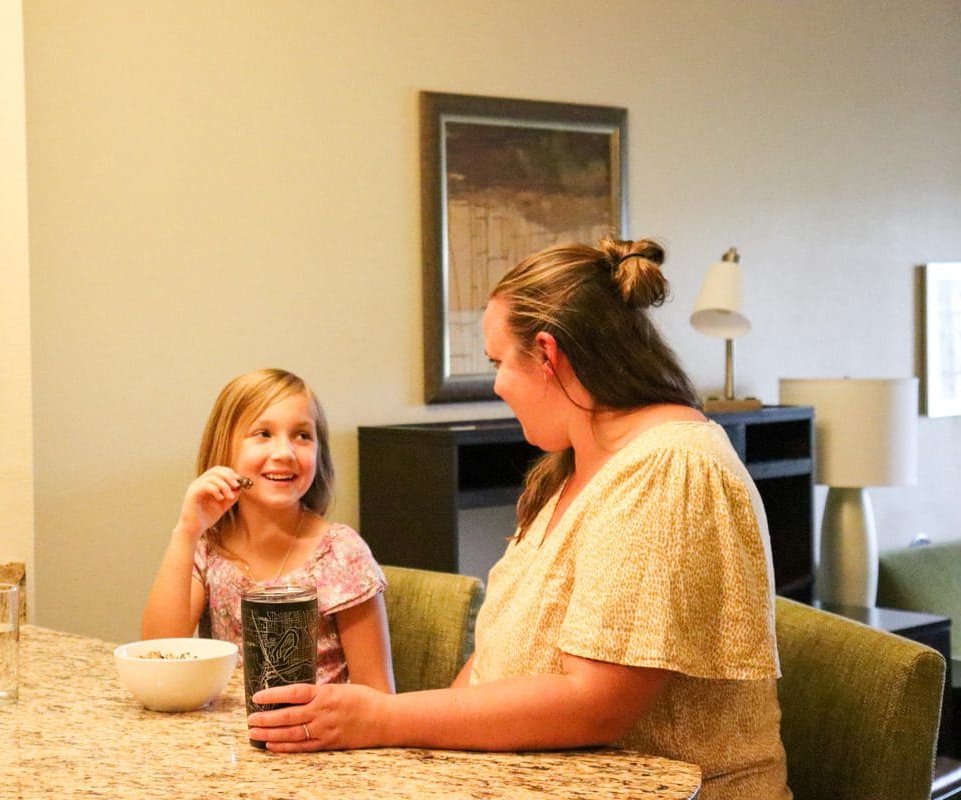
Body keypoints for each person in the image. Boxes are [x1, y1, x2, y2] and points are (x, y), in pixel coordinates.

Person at [246, 239, 791, 800]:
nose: (498, 384)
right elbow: (495, 660)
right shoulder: (577, 467)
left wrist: (383, 719)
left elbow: (595, 704)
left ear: (548, 355)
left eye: (498, 362)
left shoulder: (671, 468)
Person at [141, 367, 395, 693]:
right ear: (224, 448)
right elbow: (159, 654)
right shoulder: (209, 547)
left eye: (303, 435)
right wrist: (186, 531)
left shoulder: (340, 553)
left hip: (319, 738)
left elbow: (378, 695)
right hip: (225, 738)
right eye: (263, 434)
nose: (284, 453)